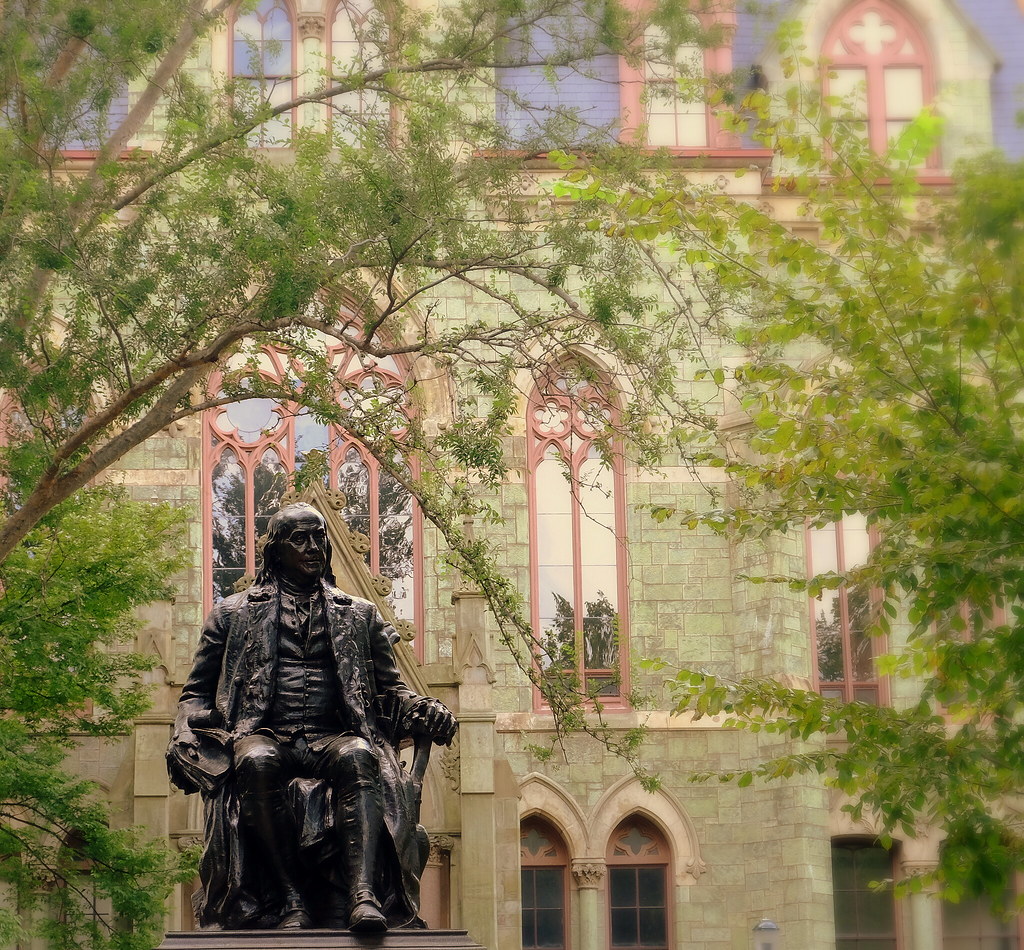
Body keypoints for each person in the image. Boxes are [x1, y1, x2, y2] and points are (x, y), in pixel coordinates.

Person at [167, 503, 457, 932]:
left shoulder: (359, 613)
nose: (312, 547)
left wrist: (424, 707)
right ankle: (290, 898)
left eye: (318, 537)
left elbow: (390, 691)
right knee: (256, 762)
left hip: (333, 735)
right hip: (264, 733)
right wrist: (186, 735)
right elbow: (194, 694)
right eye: (298, 538)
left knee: (360, 755)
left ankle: (363, 897)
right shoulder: (232, 614)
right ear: (275, 551)